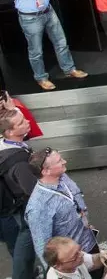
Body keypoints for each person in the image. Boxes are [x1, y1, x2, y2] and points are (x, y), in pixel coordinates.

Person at [2, 0, 86, 90]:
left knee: (61, 42)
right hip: (30, 17)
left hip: (48, 11)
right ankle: (41, 78)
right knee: (36, 51)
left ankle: (69, 69)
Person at [24, 149, 98, 271]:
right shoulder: (38, 207)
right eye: (59, 161)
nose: (64, 161)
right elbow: (43, 248)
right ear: (46, 171)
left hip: (89, 241)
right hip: (73, 260)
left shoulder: (62, 177)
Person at [0, 109, 39, 279]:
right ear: (9, 132)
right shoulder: (17, 161)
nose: (28, 122)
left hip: (8, 206)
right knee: (26, 241)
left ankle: (26, 273)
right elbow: (33, 190)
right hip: (16, 207)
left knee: (18, 243)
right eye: (22, 122)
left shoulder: (6, 144)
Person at [43, 237, 107, 279]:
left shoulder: (76, 258)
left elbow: (92, 261)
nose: (81, 255)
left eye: (79, 249)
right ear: (58, 265)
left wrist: (102, 257)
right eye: (75, 256)